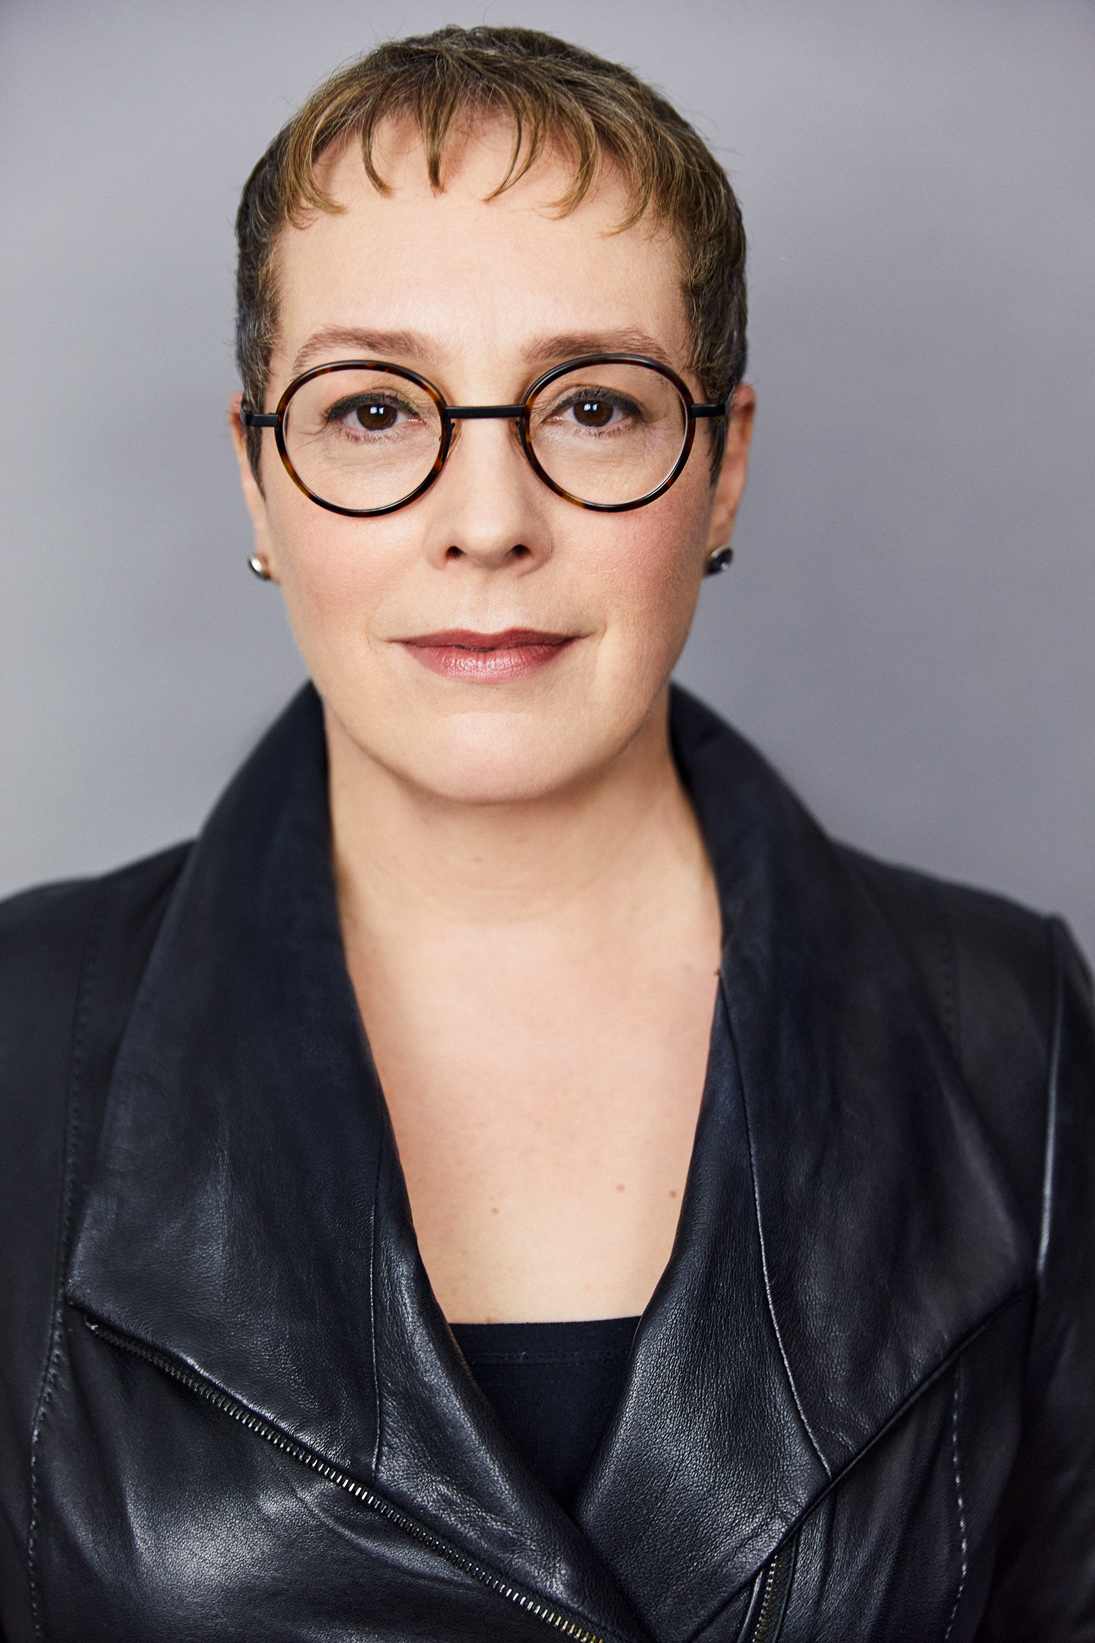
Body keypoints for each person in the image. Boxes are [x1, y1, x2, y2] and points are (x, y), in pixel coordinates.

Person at [1, 23, 1092, 1642]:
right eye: (374, 411)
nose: (489, 519)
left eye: (590, 406)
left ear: (720, 467)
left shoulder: (1011, 1038)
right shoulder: (19, 1036)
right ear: (257, 479)